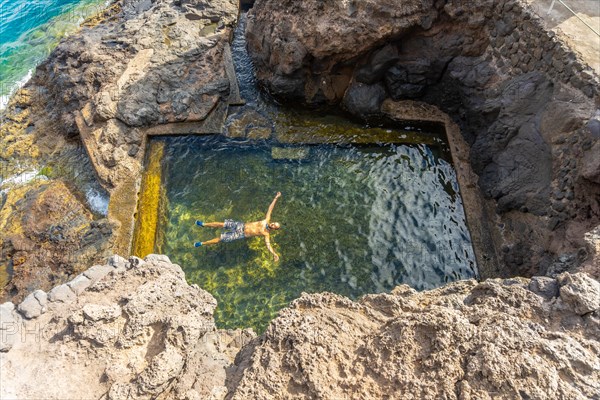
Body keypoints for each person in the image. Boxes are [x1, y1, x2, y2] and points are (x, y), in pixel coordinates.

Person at [194, 192, 282, 261]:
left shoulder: (266, 234)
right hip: (240, 225)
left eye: (275, 225)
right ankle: (203, 224)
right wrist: (276, 198)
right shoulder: (266, 220)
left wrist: (274, 254)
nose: (273, 224)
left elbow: (268, 245)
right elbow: (270, 208)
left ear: (274, 229)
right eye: (274, 223)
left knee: (220, 238)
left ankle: (202, 243)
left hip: (240, 234)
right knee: (221, 224)